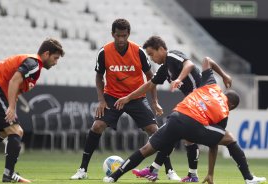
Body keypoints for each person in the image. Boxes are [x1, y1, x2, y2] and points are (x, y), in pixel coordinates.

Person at [103, 54, 267, 184]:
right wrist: (210, 173)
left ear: (224, 93)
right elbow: (213, 145)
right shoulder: (224, 111)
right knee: (229, 138)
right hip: (193, 124)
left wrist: (224, 75)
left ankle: (113, 177)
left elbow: (206, 60)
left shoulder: (211, 85)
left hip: (176, 116)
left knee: (146, 150)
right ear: (231, 106)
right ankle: (249, 178)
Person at [70, 19, 180, 181]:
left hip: (136, 96)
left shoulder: (139, 51)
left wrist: (154, 101)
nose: (121, 39)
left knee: (155, 131)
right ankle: (82, 169)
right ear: (112, 34)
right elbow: (99, 77)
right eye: (118, 35)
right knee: (97, 125)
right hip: (112, 97)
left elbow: (152, 78)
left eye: (124, 35)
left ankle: (169, 171)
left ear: (128, 34)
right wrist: (101, 100)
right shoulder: (104, 52)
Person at [114, 35, 232, 182]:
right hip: (195, 105)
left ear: (162, 49)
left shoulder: (172, 55)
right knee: (183, 137)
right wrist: (128, 98)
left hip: (202, 101)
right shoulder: (164, 69)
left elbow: (189, 65)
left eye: (152, 54)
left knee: (172, 132)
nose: (151, 58)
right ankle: (189, 175)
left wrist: (178, 79)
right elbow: (150, 85)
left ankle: (154, 170)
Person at [0, 38, 65, 183]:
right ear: (46, 54)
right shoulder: (34, 63)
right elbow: (14, 81)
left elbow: (15, 86)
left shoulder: (34, 66)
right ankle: (9, 175)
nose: (56, 62)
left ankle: (10, 173)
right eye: (55, 58)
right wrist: (11, 107)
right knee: (16, 131)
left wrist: (13, 102)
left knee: (2, 132)